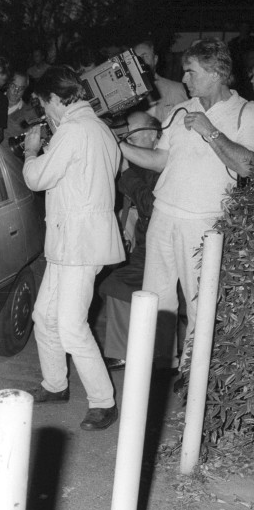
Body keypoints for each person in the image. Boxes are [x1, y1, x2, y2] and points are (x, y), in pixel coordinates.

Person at [119, 37, 254, 373]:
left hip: (205, 223)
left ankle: (192, 374)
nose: (185, 80)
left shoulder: (245, 113)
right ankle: (157, 367)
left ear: (215, 72)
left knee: (199, 303)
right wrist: (118, 146)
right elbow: (160, 159)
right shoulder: (183, 110)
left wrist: (211, 133)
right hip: (164, 216)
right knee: (156, 298)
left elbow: (248, 166)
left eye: (191, 72)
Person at [22, 65, 124, 431]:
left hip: (78, 243)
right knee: (43, 316)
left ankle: (103, 402)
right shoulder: (99, 128)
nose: (44, 113)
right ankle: (55, 384)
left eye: (43, 104)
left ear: (54, 98)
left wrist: (32, 152)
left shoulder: (72, 130)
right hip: (72, 241)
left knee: (69, 325)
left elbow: (36, 178)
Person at [98, 112, 164, 370]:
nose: (126, 136)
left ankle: (126, 351)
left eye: (132, 131)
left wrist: (126, 171)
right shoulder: (140, 164)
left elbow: (150, 204)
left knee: (119, 284)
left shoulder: (162, 165)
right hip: (144, 244)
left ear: (153, 135)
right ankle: (151, 353)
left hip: (158, 246)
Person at [133, 39, 188, 123]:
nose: (140, 61)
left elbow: (183, 125)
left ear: (155, 59)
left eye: (145, 56)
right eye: (136, 58)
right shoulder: (127, 95)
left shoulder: (175, 89)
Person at [2, 71, 38, 145]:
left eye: (21, 88)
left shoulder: (30, 113)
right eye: (13, 86)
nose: (16, 91)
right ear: (8, 84)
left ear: (25, 90)